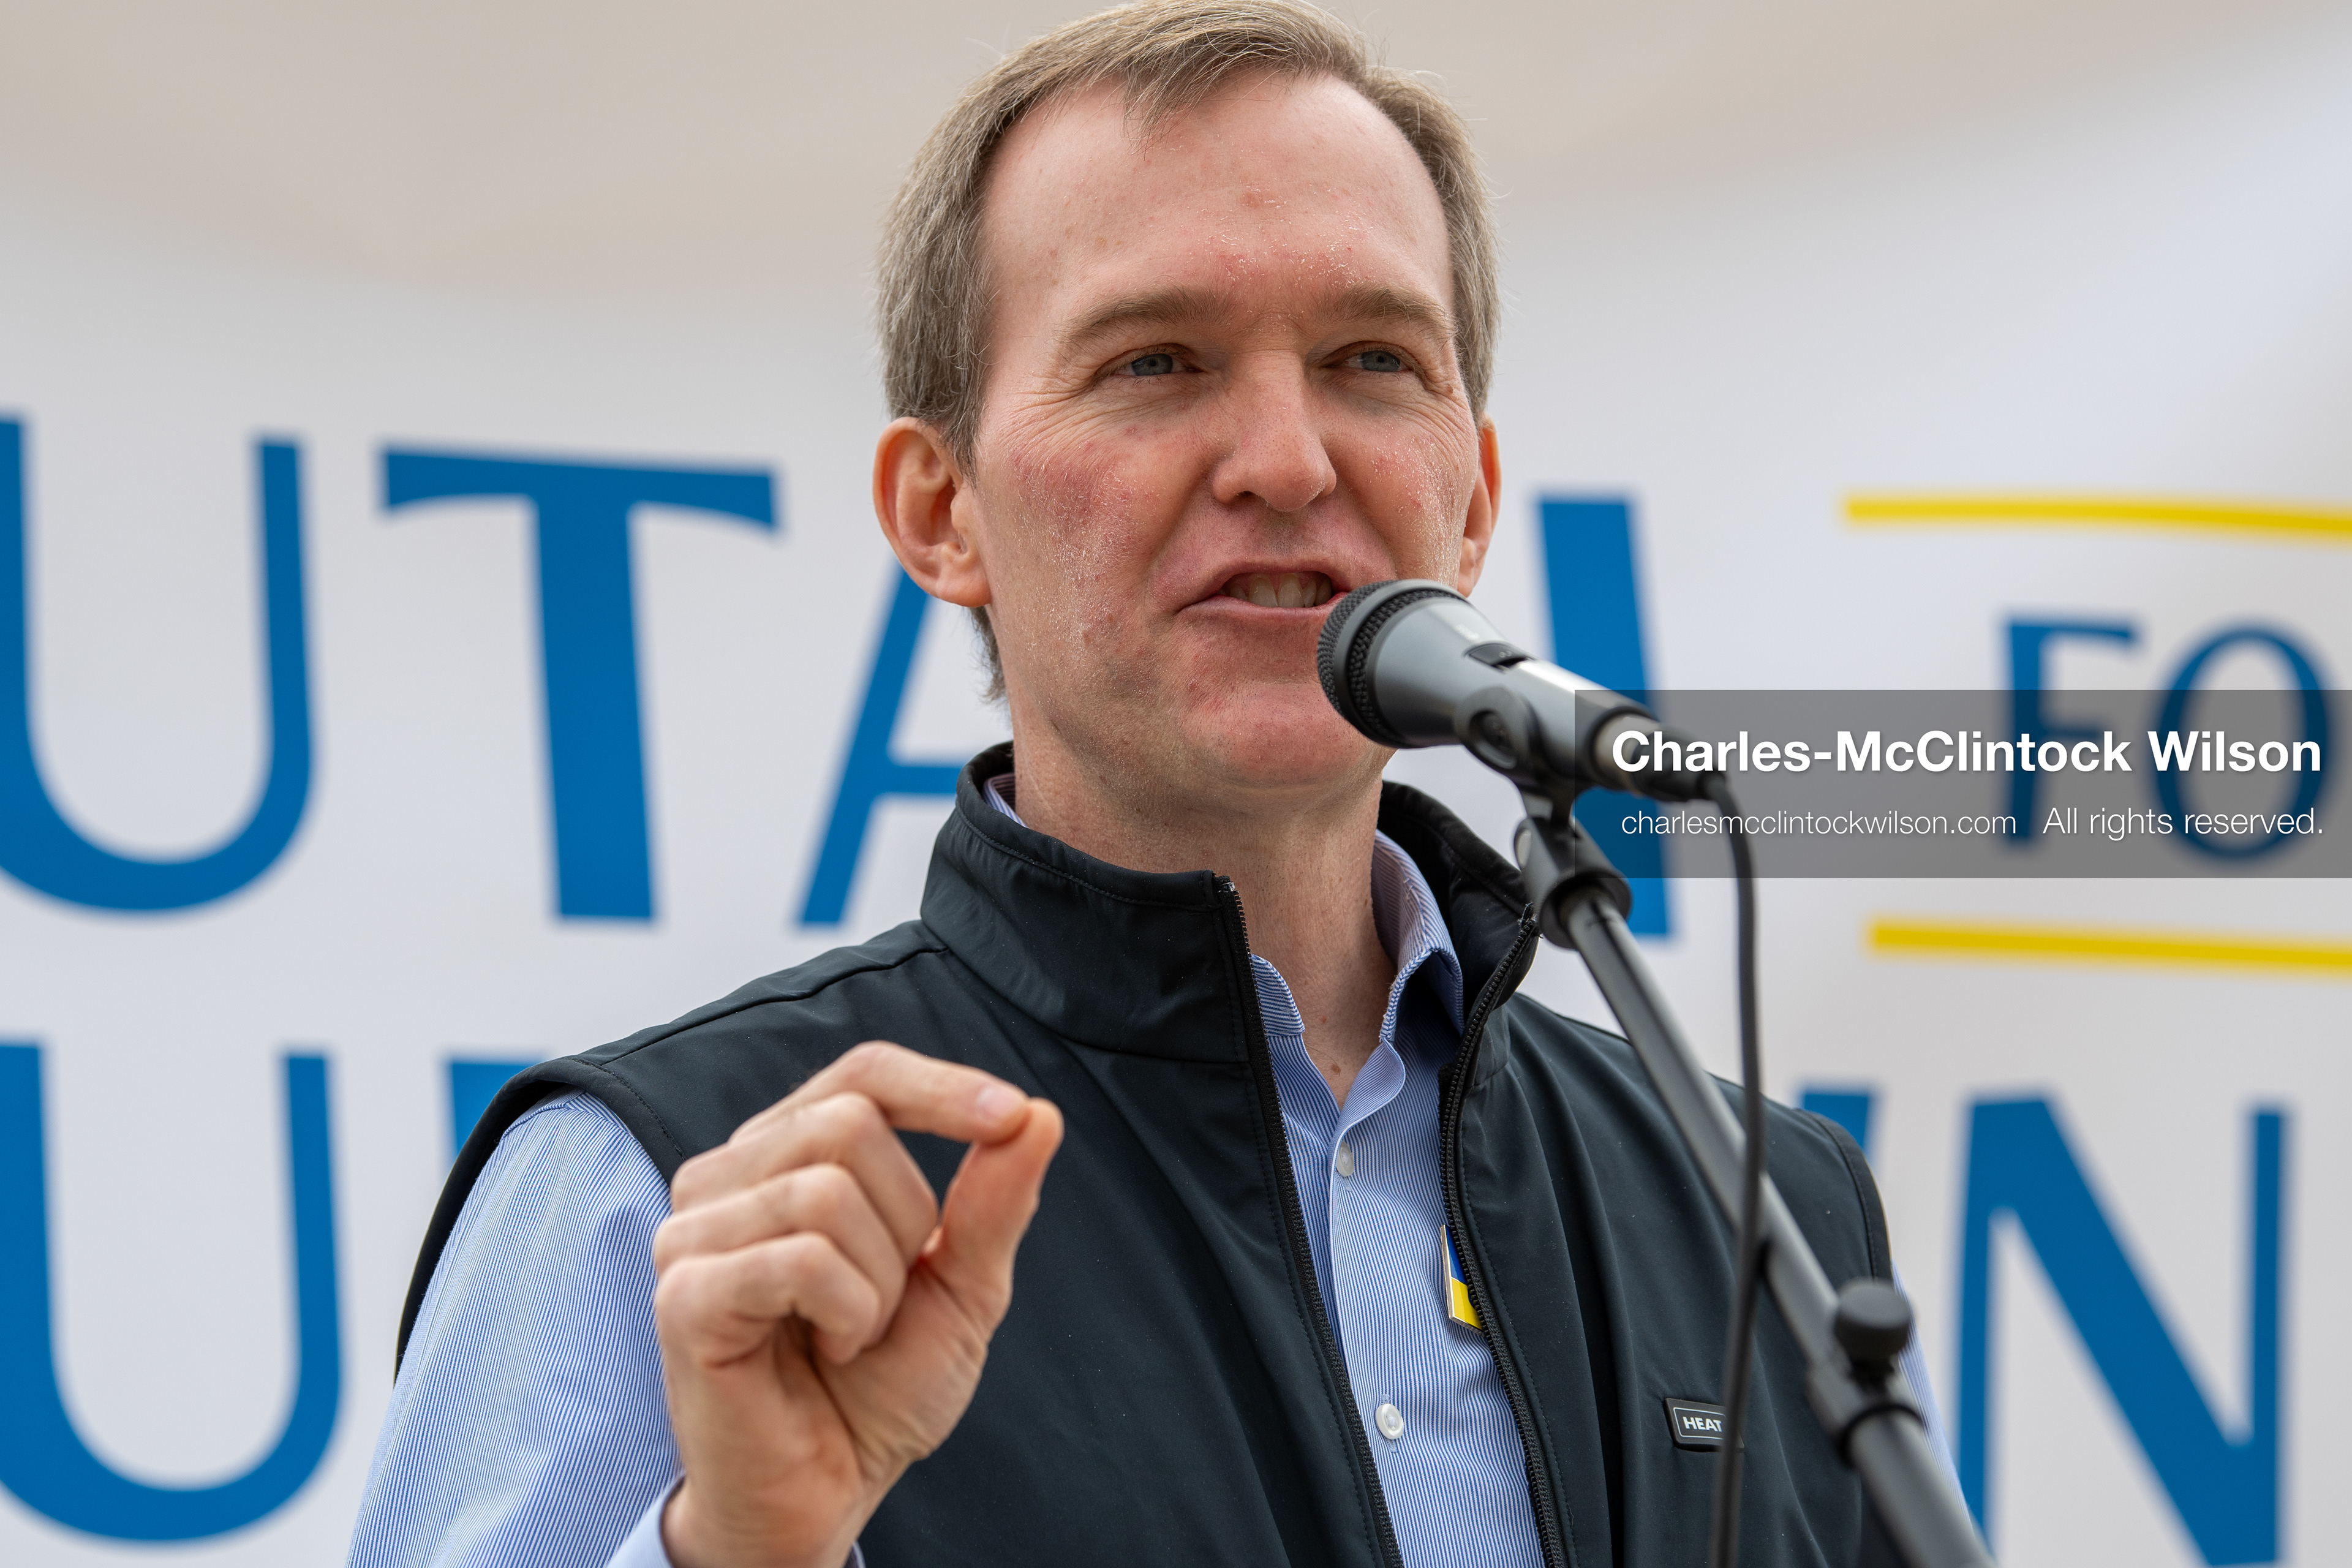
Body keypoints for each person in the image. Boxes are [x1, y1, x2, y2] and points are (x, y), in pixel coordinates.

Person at [350, 4, 1937, 1565]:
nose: (1287, 459)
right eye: (1158, 360)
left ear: (1474, 499)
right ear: (941, 509)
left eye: (1373, 359)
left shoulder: (1771, 1224)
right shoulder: (669, 1183)